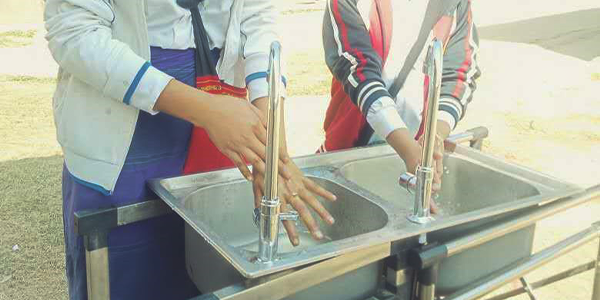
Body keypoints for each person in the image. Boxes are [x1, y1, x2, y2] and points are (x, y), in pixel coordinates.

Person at [44, 0, 334, 299]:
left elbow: (258, 17)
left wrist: (271, 147)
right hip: (121, 126)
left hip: (222, 120)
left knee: (206, 273)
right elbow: (75, 33)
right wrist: (206, 110)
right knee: (126, 277)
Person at [320, 0, 481, 195]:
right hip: (348, 150)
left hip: (414, 150)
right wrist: (409, 149)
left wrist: (434, 136)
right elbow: (357, 71)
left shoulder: (454, 4)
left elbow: (458, 75)